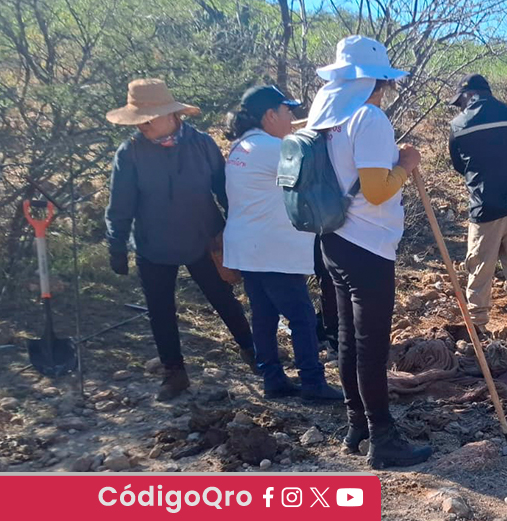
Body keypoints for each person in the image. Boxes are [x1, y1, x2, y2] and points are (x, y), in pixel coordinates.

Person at [308, 36, 433, 468]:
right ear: (376, 81)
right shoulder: (369, 117)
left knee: (348, 339)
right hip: (368, 243)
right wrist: (406, 164)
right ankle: (383, 438)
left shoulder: (324, 114)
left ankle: (356, 425)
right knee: (371, 344)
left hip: (332, 239)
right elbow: (378, 191)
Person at [105, 79, 257, 402]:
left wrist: (239, 226)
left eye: (149, 117)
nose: (143, 125)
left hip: (203, 237)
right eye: (139, 120)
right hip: (152, 243)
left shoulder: (201, 144)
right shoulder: (130, 153)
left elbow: (224, 189)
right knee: (160, 309)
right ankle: (174, 373)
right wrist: (116, 244)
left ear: (172, 115)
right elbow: (120, 205)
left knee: (222, 296)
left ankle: (252, 350)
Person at [221, 85, 344, 402]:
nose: (292, 118)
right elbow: (314, 167)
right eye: (288, 112)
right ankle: (313, 383)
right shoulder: (270, 149)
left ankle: (273, 378)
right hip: (271, 249)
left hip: (248, 247)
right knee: (301, 317)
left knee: (263, 315)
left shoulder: (241, 147)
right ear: (270, 115)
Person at [448, 74, 507, 333]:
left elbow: (459, 165)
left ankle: (477, 327)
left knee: (480, 269)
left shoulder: (460, 124)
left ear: (468, 95)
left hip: (484, 209)